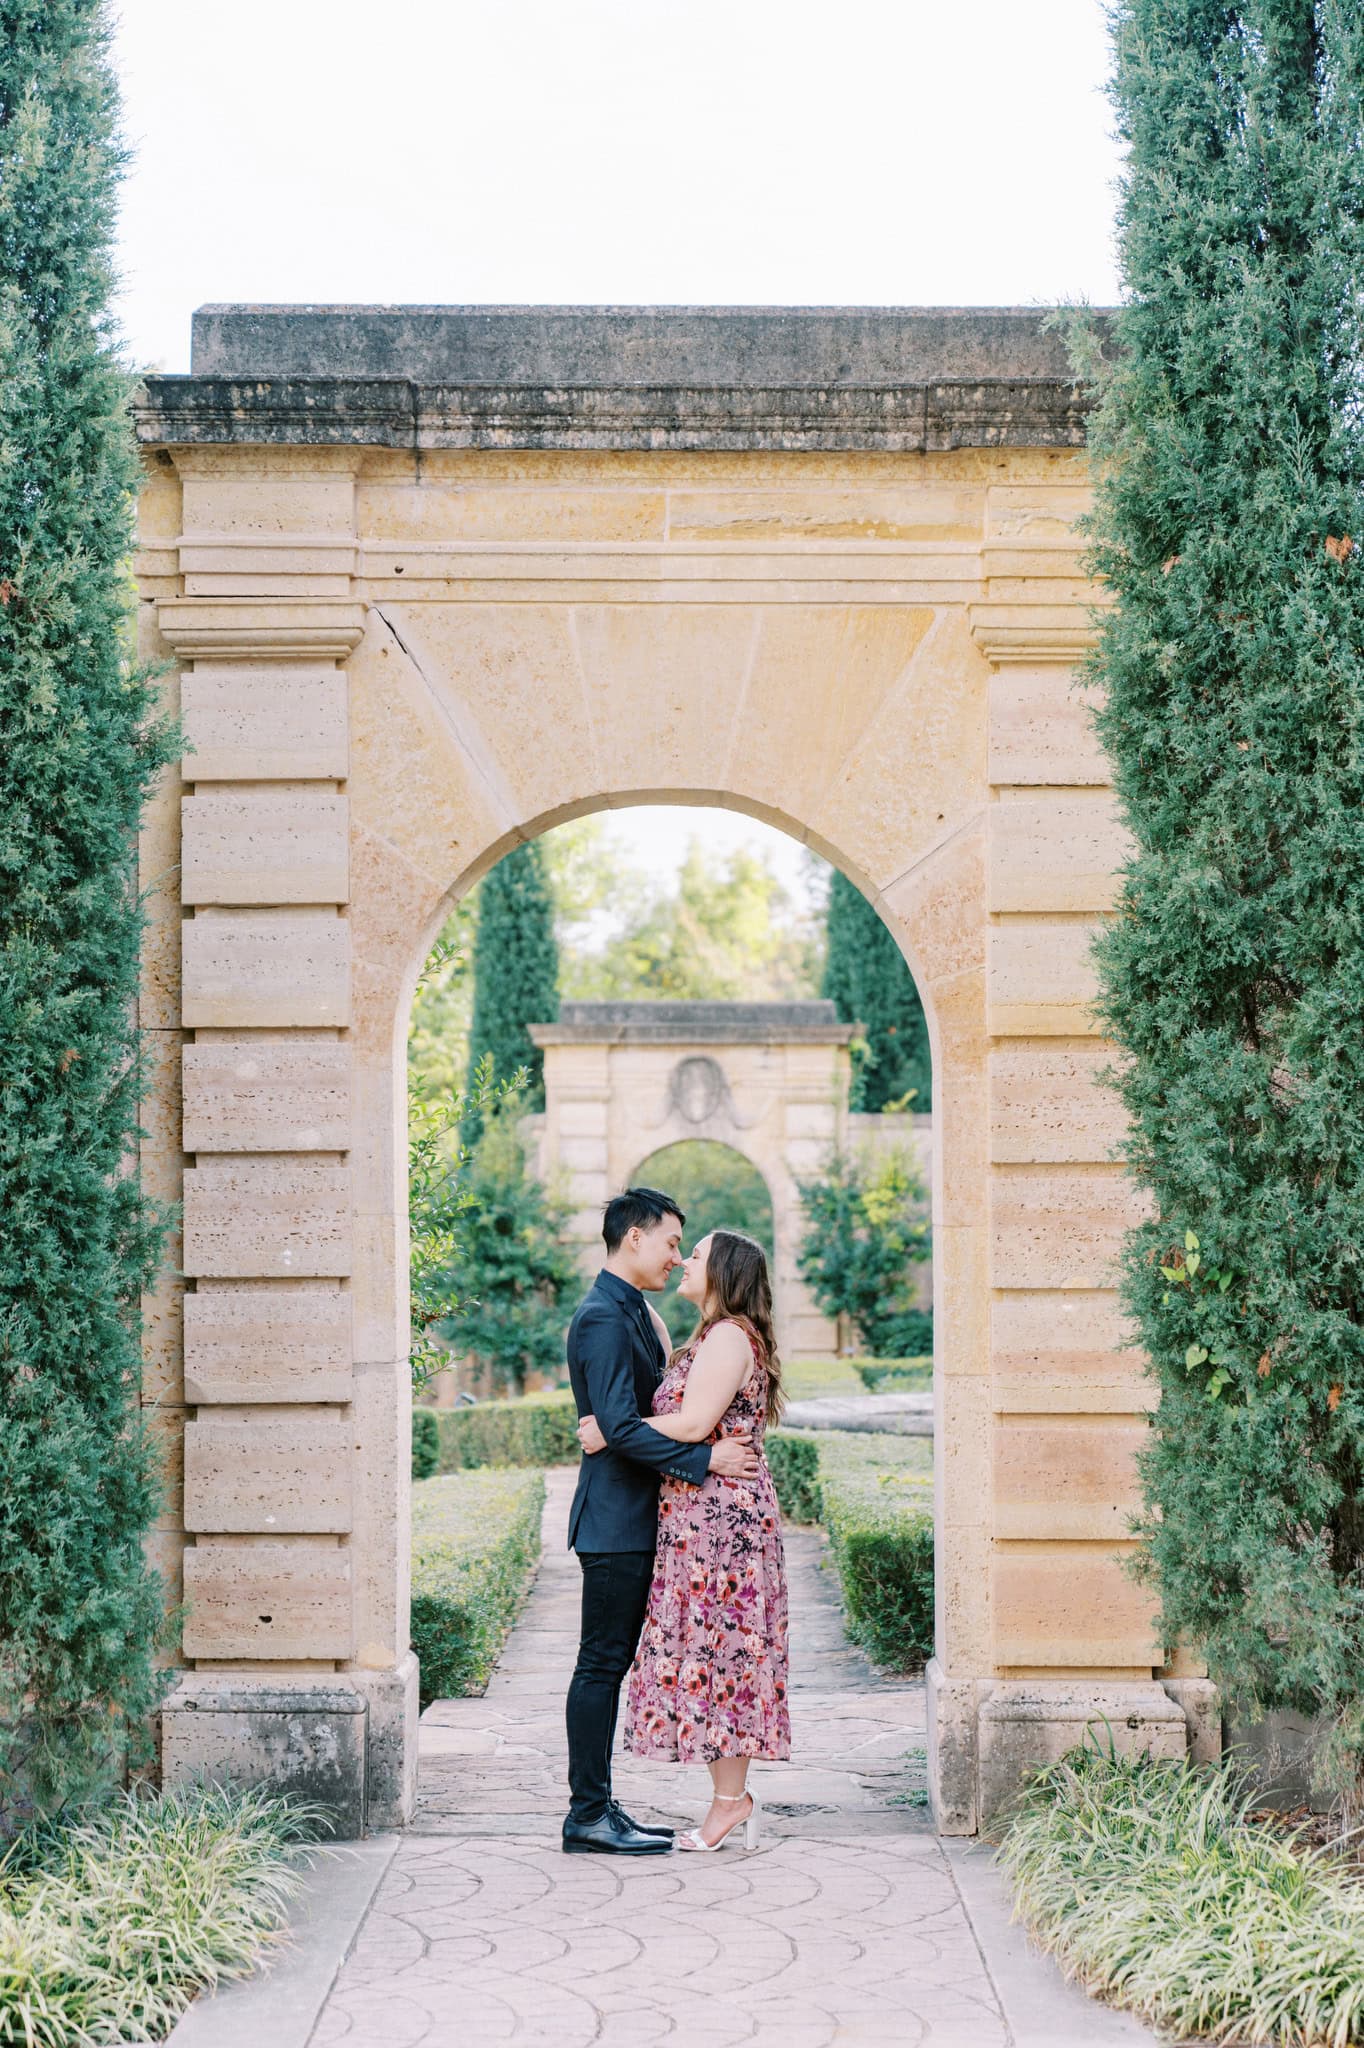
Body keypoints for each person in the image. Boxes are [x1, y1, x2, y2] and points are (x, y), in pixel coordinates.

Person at [561, 1186, 760, 1857]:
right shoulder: (603, 1318)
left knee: (618, 1664)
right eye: (673, 1242)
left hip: (649, 1518)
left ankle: (603, 1808)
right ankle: (588, 1813)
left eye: (686, 1248)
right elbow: (618, 1425)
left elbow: (623, 1424)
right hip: (615, 1521)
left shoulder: (640, 1314)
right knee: (600, 1666)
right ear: (635, 1237)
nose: (677, 1257)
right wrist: (705, 1457)